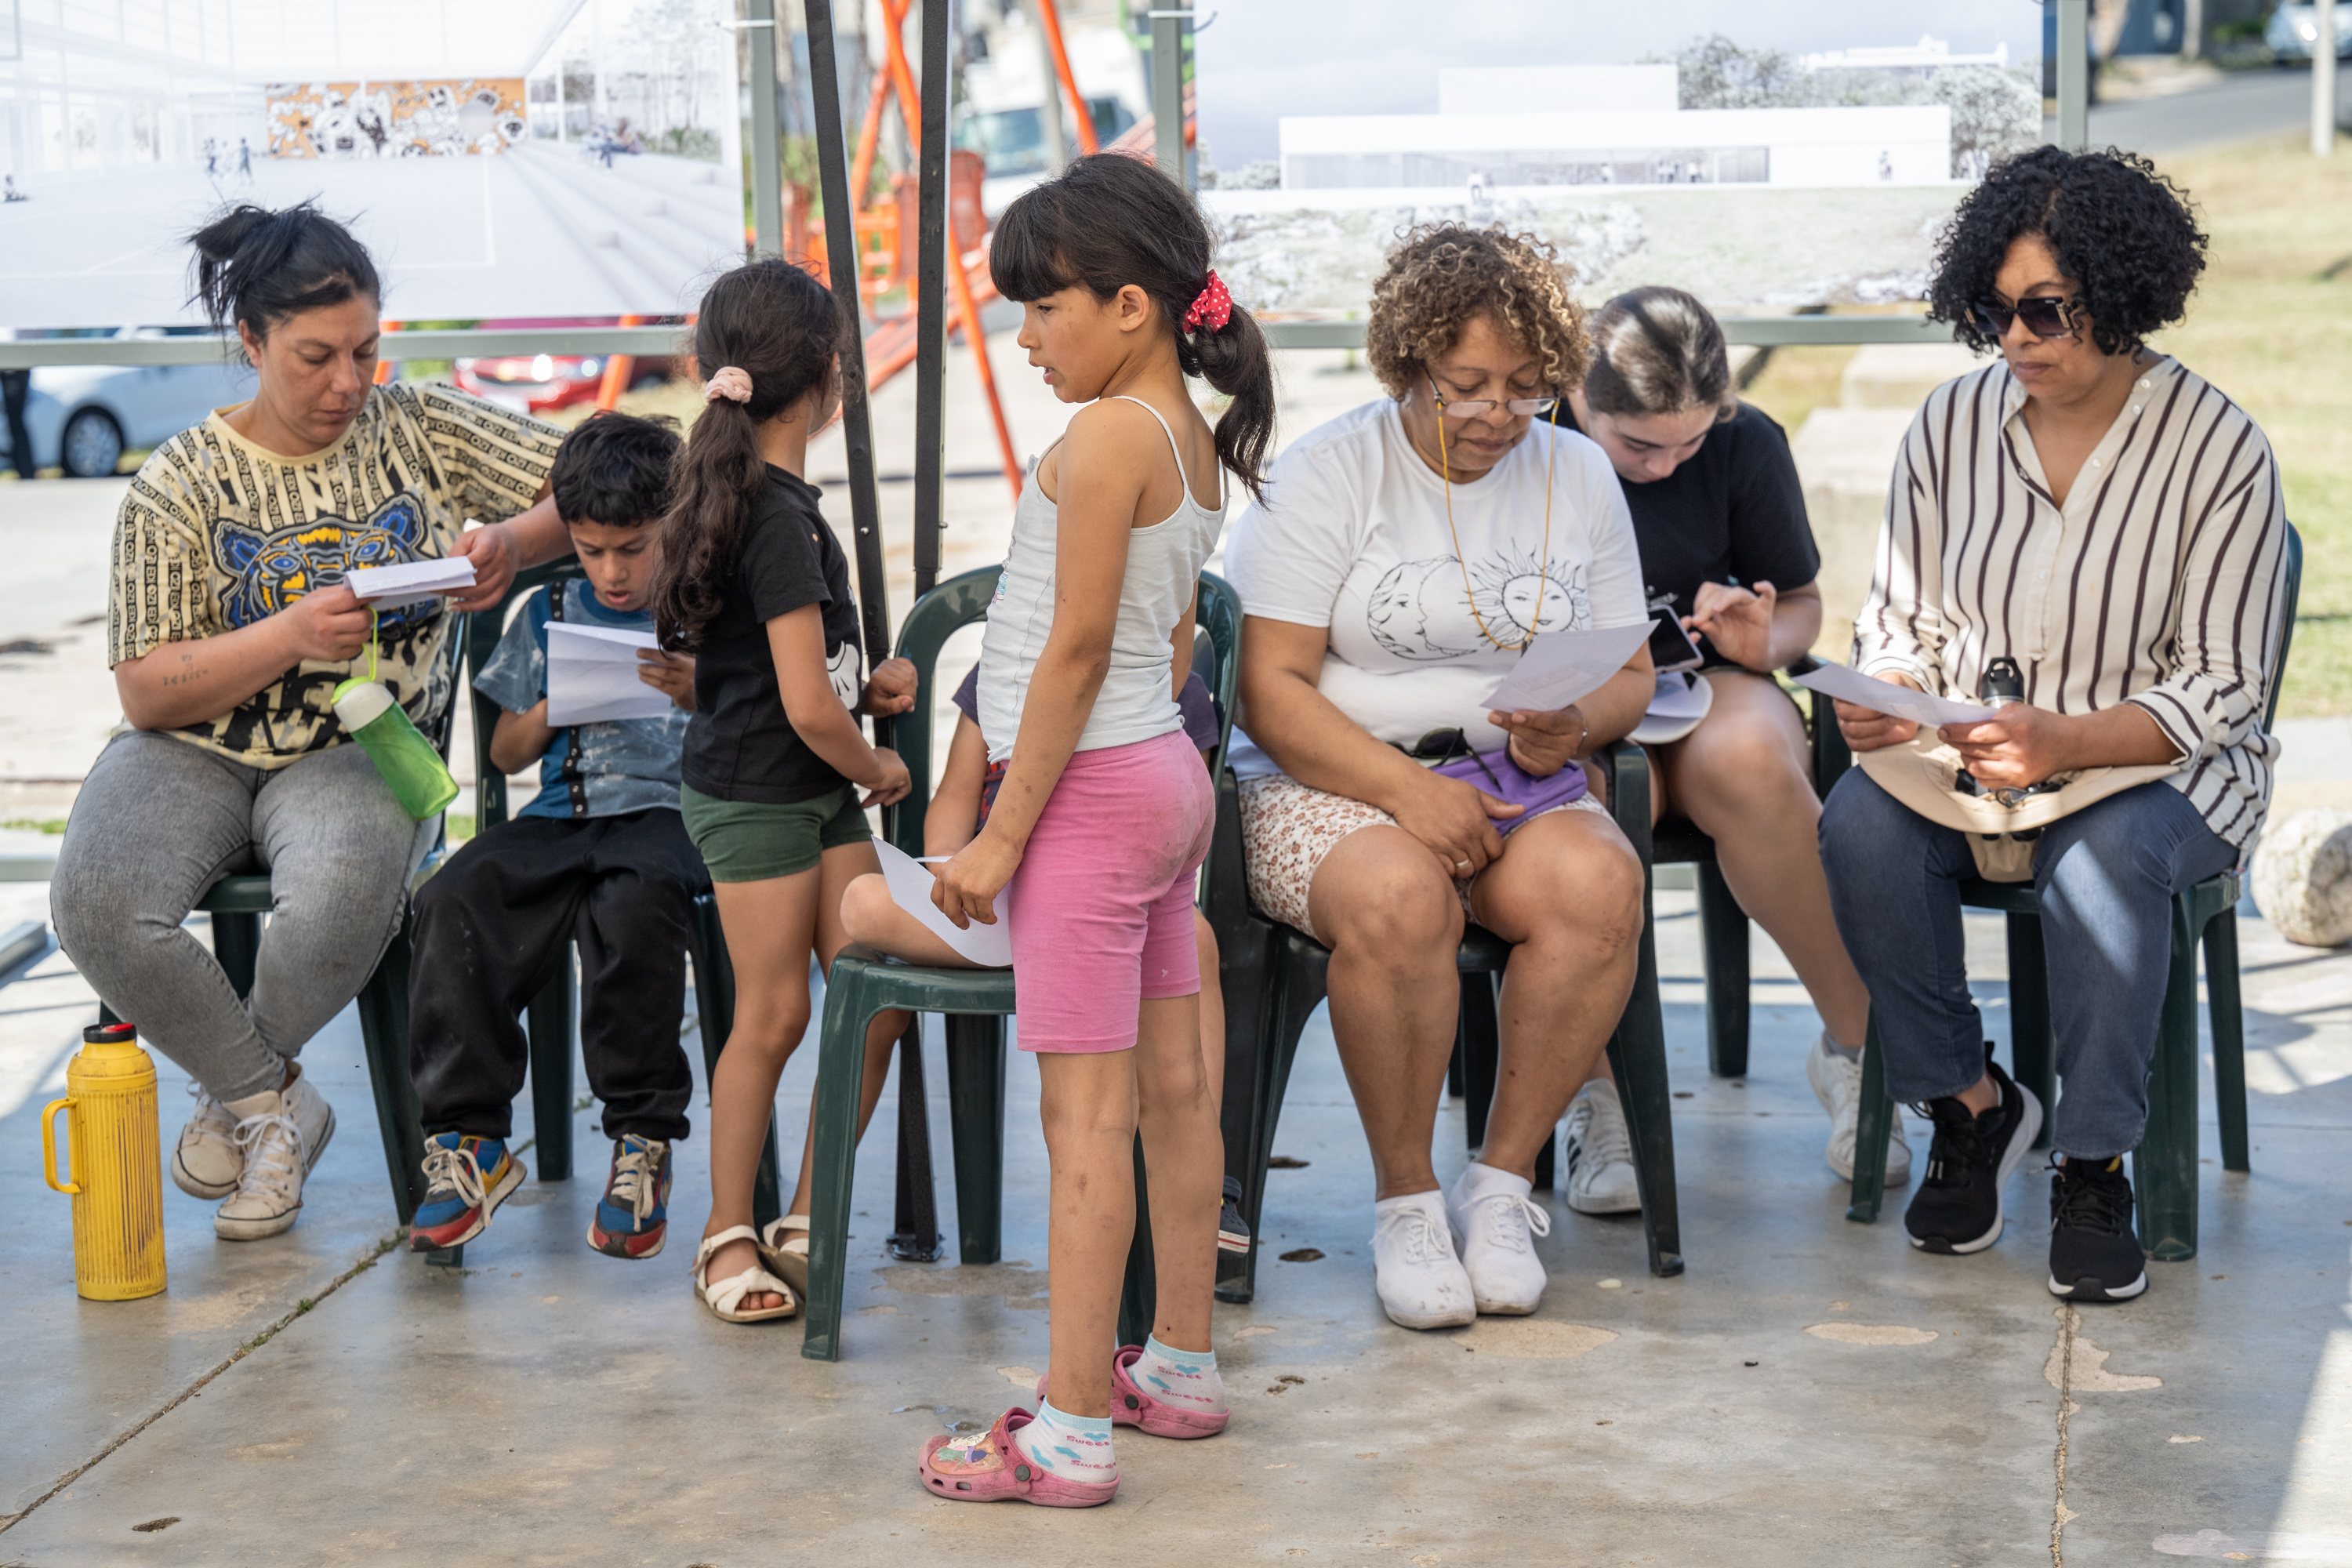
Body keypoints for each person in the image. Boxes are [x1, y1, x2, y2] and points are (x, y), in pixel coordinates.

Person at [49, 201, 575, 1240]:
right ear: (251, 343)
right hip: (189, 747)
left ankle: (238, 1107)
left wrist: (517, 539)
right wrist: (289, 634)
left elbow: (597, 480)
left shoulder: (418, 424)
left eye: (368, 351)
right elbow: (148, 690)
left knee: (340, 891)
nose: (349, 382)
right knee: (97, 899)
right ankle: (274, 1102)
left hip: (364, 743)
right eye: (316, 357)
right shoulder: (178, 483)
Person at [1819, 147, 2287, 1303]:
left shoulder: (2221, 448)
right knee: (1854, 830)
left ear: (2123, 300)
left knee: (2103, 863)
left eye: (2046, 311)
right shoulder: (1947, 427)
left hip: (2161, 773)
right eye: (1993, 311)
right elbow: (1902, 624)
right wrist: (1882, 700)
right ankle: (1971, 1108)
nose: (2017, 339)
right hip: (1971, 763)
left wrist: (2073, 742)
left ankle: (2094, 1162)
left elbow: (2225, 683)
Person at [911, 151, 1272, 1509]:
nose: (1027, 337)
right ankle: (1175, 1362)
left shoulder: (1109, 436)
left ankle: (1066, 1429)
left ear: (1130, 305)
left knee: (1084, 1123)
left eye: (1044, 309)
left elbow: (1068, 655)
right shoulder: (1186, 438)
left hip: (1091, 797)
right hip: (1165, 780)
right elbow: (1171, 641)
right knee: (1176, 1090)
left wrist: (1002, 836)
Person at [1225, 224, 1651, 1332]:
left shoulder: (1581, 472)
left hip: (1514, 779)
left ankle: (1500, 1191)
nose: (1498, 415)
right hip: (1328, 782)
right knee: (1397, 897)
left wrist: (1575, 723)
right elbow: (1267, 690)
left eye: (1526, 388)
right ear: (1408, 364)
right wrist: (1408, 795)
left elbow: (1632, 676)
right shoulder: (1325, 472)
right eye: (1467, 386)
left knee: (1601, 888)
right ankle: (1407, 1202)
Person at [1544, 285, 1900, 1210]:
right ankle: (1595, 1091)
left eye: (1689, 442)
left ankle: (1858, 1051)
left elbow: (1807, 607)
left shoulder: (1749, 443)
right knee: (1570, 800)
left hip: (1706, 687)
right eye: (1639, 446)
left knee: (1753, 765)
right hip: (1570, 697)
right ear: (1578, 397)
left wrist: (1763, 638)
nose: (1666, 466)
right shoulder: (1531, 439)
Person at [649, 258, 919, 1324]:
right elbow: (808, 708)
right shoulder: (772, 515)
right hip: (764, 793)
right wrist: (880, 763)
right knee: (775, 1011)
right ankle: (725, 1237)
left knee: (876, 996)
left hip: (808, 788)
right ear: (829, 379)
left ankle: (809, 1213)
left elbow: (814, 679)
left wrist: (878, 684)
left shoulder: (769, 501)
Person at [403, 412, 708, 1259]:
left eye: (633, 548)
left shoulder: (710, 609)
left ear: (675, 523)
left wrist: (697, 687)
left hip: (668, 816)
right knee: (454, 894)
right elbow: (503, 753)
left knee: (636, 903)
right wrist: (548, 708)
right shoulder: (547, 610)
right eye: (591, 548)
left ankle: (642, 1138)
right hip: (560, 814)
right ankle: (471, 1138)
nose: (612, 571)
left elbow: (759, 721)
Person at [837, 659, 1255, 1259]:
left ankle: (1206, 1190)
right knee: (861, 901)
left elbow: (1172, 830)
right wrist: (950, 872)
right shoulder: (1001, 669)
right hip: (990, 907)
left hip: (1103, 917)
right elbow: (956, 796)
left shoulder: (1162, 682)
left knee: (1197, 938)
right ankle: (1010, 939)